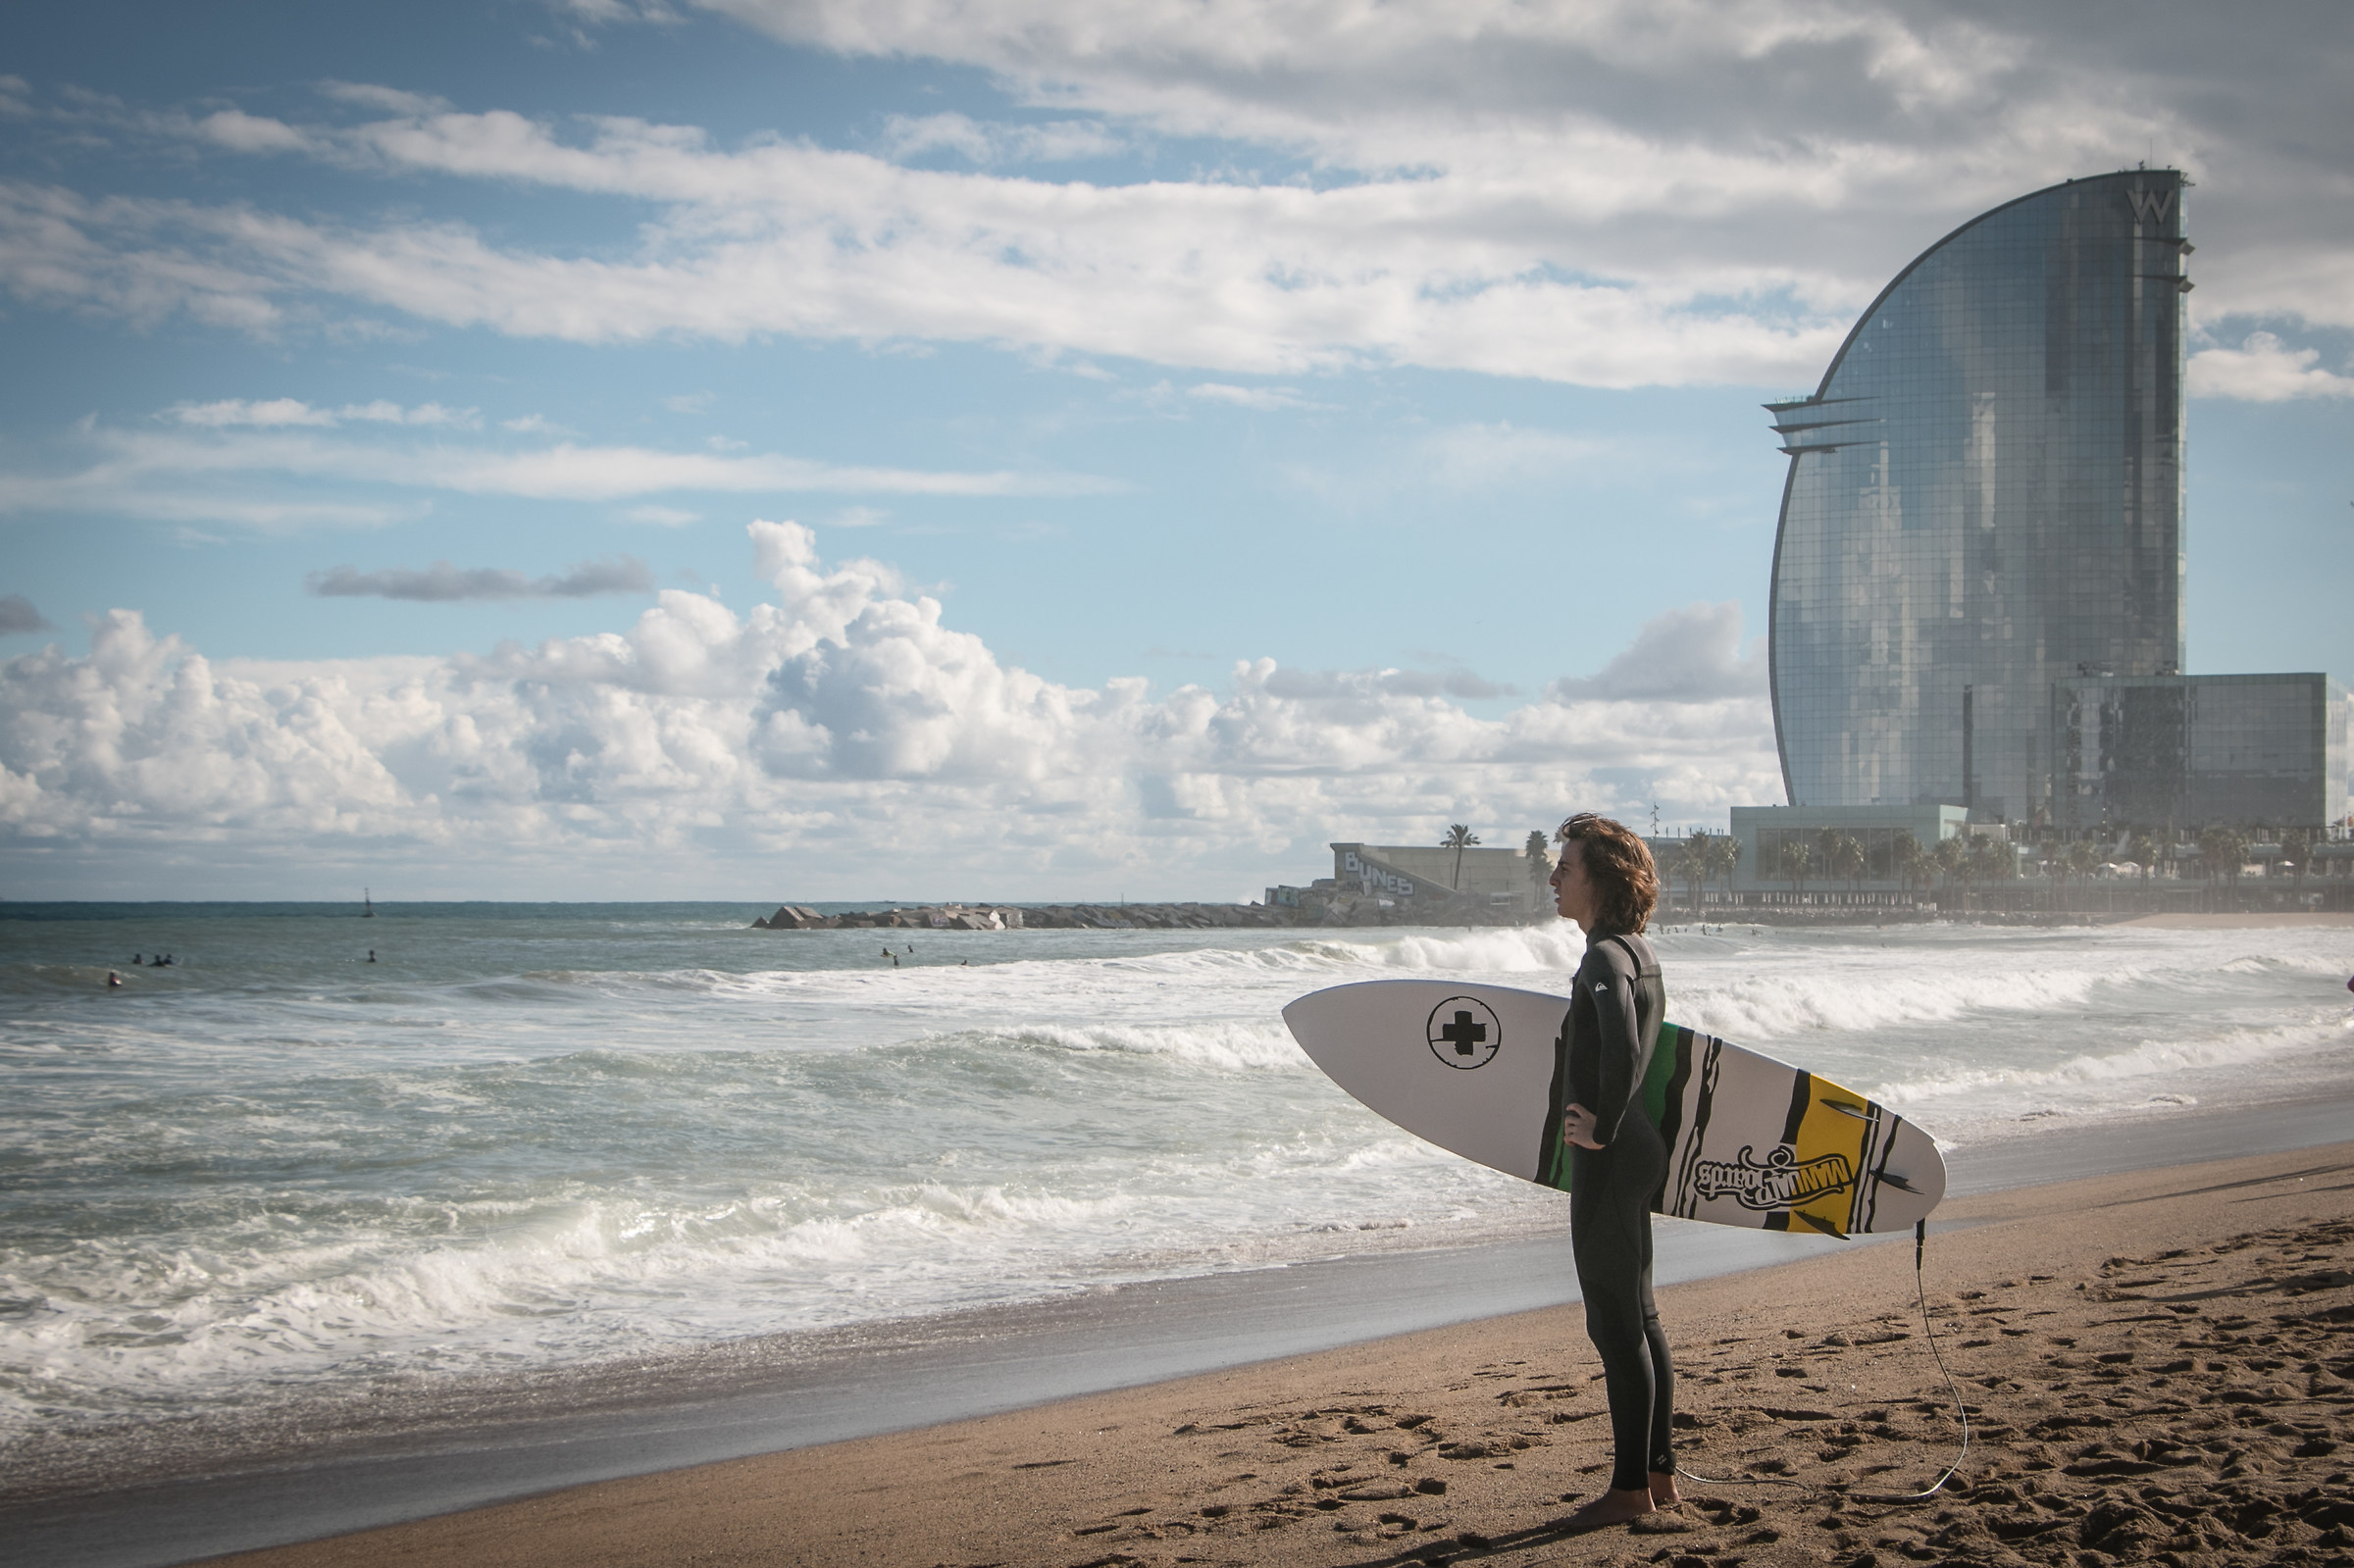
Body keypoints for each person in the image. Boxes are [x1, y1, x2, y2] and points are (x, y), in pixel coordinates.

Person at [1546, 811, 1675, 1528]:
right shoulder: (1637, 949)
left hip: (1611, 1158)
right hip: (1636, 1155)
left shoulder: (1602, 959)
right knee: (1642, 1315)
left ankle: (1628, 1491)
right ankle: (1659, 1475)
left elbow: (1622, 1042)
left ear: (1602, 880)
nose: (1555, 878)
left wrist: (1601, 1123)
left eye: (1567, 867)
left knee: (1614, 1323)